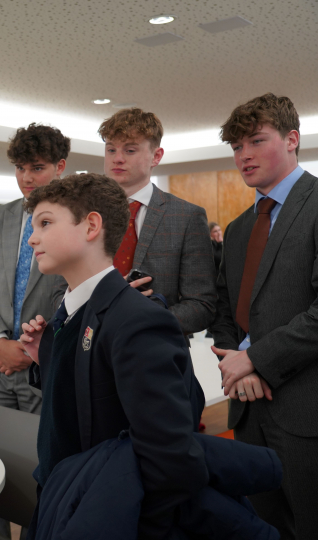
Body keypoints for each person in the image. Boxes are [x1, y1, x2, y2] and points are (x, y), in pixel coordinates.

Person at [19, 173, 207, 538]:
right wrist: (52, 360)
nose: (33, 238)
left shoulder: (139, 320)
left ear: (91, 226)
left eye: (45, 223)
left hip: (105, 515)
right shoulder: (71, 313)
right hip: (61, 500)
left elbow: (170, 457)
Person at [211, 93, 318, 540]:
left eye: (256, 141)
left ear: (292, 139)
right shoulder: (237, 229)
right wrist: (238, 359)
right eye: (237, 147)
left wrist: (256, 360)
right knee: (261, 527)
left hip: (305, 411)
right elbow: (224, 311)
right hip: (247, 409)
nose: (244, 156)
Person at [0, 123, 67, 535]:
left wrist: (29, 348)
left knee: (37, 474)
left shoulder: (74, 223)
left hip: (41, 365)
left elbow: (73, 292)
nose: (26, 177)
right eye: (20, 168)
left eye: (37, 167)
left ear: (59, 167)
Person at [99, 108, 216, 334]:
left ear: (156, 156)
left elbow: (202, 305)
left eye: (130, 150)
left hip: (157, 351)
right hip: (90, 350)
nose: (118, 158)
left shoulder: (186, 217)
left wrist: (145, 320)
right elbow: (61, 290)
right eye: (111, 149)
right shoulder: (83, 213)